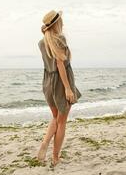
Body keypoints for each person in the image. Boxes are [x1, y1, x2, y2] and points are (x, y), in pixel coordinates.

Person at [37, 10, 82, 166]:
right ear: (57, 23)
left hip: (47, 82)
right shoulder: (59, 39)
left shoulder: (42, 42)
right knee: (62, 121)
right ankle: (55, 158)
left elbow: (52, 65)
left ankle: (45, 142)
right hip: (61, 83)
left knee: (56, 118)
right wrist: (68, 89)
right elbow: (60, 64)